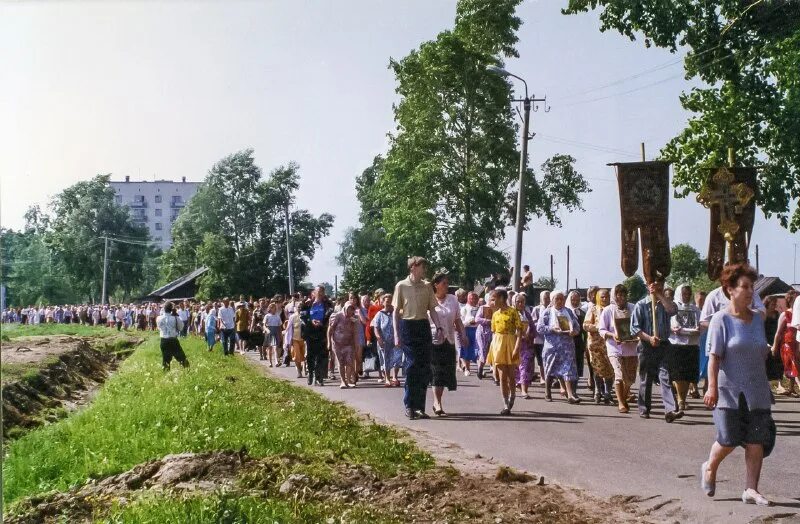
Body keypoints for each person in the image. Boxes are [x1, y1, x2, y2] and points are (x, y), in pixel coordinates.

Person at [701, 263, 775, 506]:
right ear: (730, 289)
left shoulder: (757, 320)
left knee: (757, 440)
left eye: (752, 287)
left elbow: (760, 351)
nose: (750, 291)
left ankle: (751, 489)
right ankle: (710, 466)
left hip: (757, 389)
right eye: (744, 286)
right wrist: (711, 387)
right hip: (728, 390)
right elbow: (714, 357)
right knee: (728, 438)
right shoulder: (720, 320)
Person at [392, 256, 444, 420]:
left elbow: (432, 310)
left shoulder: (427, 286)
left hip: (423, 325)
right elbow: (395, 312)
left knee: (424, 368)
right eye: (422, 267)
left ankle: (420, 407)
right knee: (412, 365)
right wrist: (396, 334)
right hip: (408, 326)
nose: (424, 270)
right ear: (413, 267)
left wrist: (439, 327)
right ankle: (409, 405)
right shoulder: (401, 285)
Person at [631, 280, 682, 423]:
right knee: (646, 378)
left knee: (665, 376)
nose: (657, 286)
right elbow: (634, 329)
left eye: (660, 284)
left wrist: (659, 295)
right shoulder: (641, 305)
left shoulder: (666, 304)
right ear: (648, 286)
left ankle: (671, 409)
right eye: (654, 284)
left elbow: (673, 310)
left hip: (664, 345)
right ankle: (644, 408)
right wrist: (649, 338)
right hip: (646, 346)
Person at [537, 290, 581, 404]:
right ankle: (547, 391)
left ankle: (570, 394)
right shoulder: (547, 312)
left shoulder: (569, 312)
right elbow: (540, 328)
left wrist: (574, 332)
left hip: (567, 348)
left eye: (562, 299)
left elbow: (577, 327)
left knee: (567, 370)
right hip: (552, 348)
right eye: (557, 299)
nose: (560, 301)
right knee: (550, 370)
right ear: (552, 300)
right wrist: (552, 329)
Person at [599, 284, 638, 413]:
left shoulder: (633, 308)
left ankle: (625, 395)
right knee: (619, 375)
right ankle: (621, 402)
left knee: (630, 378)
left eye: (623, 294)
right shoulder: (608, 310)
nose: (621, 297)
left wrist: (637, 335)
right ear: (614, 296)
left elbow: (639, 325)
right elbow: (602, 329)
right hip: (614, 348)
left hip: (631, 348)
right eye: (618, 295)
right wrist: (612, 335)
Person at [430, 270, 464, 416]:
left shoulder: (453, 299)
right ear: (436, 285)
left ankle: (438, 399)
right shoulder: (429, 299)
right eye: (444, 283)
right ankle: (437, 402)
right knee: (436, 372)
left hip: (449, 340)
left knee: (444, 373)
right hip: (433, 340)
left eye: (447, 283)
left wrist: (463, 334)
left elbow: (457, 319)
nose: (447, 285)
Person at [488, 289, 524, 414]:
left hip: (510, 342)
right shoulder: (495, 314)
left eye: (494, 299)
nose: (493, 302)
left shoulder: (513, 312)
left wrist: (516, 347)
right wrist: (492, 349)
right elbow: (493, 331)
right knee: (502, 376)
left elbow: (519, 331)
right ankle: (505, 404)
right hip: (498, 343)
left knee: (511, 376)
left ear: (502, 298)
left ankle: (512, 396)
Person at [668, 284, 703, 411]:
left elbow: (701, 324)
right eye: (684, 294)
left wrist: (699, 328)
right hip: (677, 345)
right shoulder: (672, 308)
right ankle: (680, 399)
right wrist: (675, 329)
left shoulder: (695, 309)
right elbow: (670, 326)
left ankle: (682, 399)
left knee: (688, 375)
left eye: (689, 294)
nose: (687, 296)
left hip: (692, 345)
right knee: (678, 375)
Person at [584, 288, 615, 404]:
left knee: (610, 368)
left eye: (607, 297)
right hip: (595, 344)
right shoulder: (593, 309)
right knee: (597, 368)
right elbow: (585, 325)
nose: (605, 299)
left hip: (610, 343)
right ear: (598, 298)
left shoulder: (612, 310)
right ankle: (597, 391)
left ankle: (608, 393)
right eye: (602, 297)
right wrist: (598, 327)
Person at [302, 285, 334, 386]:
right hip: (310, 332)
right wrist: (311, 320)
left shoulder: (328, 304)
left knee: (322, 356)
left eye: (321, 291)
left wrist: (322, 322)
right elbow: (302, 316)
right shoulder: (308, 304)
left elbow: (330, 315)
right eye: (318, 291)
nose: (319, 293)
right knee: (311, 355)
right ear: (314, 293)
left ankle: (320, 376)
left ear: (324, 293)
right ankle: (311, 373)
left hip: (322, 332)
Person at [773, 290, 798, 396]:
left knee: (795, 365)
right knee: (793, 365)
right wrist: (775, 346)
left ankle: (792, 388)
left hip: (798, 344)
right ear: (790, 300)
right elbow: (778, 332)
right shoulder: (785, 314)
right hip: (788, 344)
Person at [373, 293, 402, 387]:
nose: (388, 302)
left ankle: (395, 377)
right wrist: (379, 338)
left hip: (396, 339)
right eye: (386, 300)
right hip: (384, 340)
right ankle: (387, 379)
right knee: (386, 359)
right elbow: (376, 327)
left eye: (390, 300)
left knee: (397, 357)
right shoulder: (379, 314)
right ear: (383, 302)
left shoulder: (397, 312)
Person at [328, 302, 360, 388]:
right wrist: (329, 343)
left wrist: (356, 344)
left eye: (353, 309)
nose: (351, 311)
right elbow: (330, 330)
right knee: (341, 362)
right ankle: (342, 381)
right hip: (337, 343)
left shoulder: (354, 318)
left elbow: (355, 332)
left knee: (350, 362)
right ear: (345, 308)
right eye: (350, 309)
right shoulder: (337, 316)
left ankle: (348, 379)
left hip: (349, 343)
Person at [513, 293, 536, 399]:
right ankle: (517, 385)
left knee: (525, 367)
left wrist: (530, 335)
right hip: (514, 344)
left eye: (523, 302)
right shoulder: (511, 314)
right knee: (516, 367)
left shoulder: (527, 314)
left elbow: (533, 328)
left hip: (527, 345)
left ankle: (524, 390)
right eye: (518, 302)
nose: (521, 304)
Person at [157, 301, 189, 371]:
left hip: (163, 340)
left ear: (164, 308)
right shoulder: (176, 318)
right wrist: (176, 316)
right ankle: (187, 371)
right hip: (173, 340)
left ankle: (166, 374)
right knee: (182, 358)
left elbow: (159, 328)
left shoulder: (158, 318)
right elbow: (181, 328)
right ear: (172, 309)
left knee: (165, 360)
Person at [568, 291, 587, 395]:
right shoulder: (566, 311)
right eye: (572, 299)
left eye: (577, 299)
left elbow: (584, 331)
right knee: (569, 366)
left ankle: (574, 390)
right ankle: (568, 389)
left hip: (579, 343)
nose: (575, 302)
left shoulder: (582, 313)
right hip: (568, 342)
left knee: (578, 366)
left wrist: (585, 344)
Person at [530, 291, 551, 385]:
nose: (547, 300)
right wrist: (541, 324)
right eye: (545, 298)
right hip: (538, 339)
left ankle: (550, 377)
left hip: (550, 338)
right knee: (540, 359)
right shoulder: (537, 309)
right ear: (541, 299)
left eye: (548, 298)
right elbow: (533, 322)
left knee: (549, 359)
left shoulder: (553, 309)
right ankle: (542, 377)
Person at [459, 292, 481, 375]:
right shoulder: (464, 309)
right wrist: (469, 322)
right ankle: (467, 369)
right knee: (467, 349)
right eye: (472, 298)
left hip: (478, 330)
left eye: (475, 298)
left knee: (479, 350)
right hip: (467, 330)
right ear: (468, 299)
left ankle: (480, 370)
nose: (474, 300)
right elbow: (461, 322)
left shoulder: (480, 309)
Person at [475, 296, 495, 381]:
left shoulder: (497, 309)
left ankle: (495, 374)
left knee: (492, 351)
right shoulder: (482, 308)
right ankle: (480, 369)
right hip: (482, 332)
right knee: (483, 350)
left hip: (493, 332)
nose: (493, 301)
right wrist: (488, 321)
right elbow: (477, 319)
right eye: (492, 299)